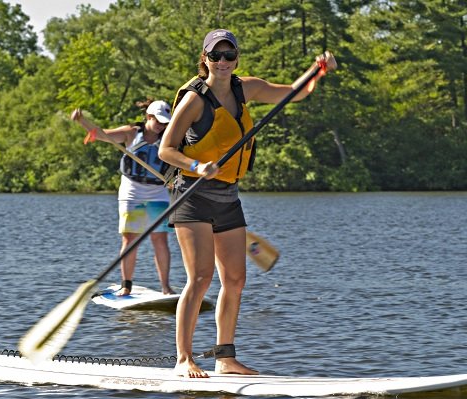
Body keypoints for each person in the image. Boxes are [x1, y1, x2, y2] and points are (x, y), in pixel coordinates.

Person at [159, 29, 337, 378]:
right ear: (205, 59)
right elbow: (166, 149)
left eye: (229, 56)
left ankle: (225, 358)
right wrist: (197, 166)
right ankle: (184, 359)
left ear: (236, 58)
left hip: (227, 197)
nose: (222, 62)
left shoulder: (246, 88)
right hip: (192, 196)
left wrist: (318, 70)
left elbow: (291, 94)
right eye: (216, 56)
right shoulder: (194, 100)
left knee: (236, 279)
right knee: (200, 278)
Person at [72, 100, 175, 295]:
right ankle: (126, 285)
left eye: (165, 122)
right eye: (158, 121)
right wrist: (82, 121)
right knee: (130, 239)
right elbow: (101, 135)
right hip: (132, 192)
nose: (162, 126)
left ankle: (165, 286)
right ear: (148, 117)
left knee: (160, 239)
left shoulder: (169, 137)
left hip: (158, 192)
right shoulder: (131, 133)